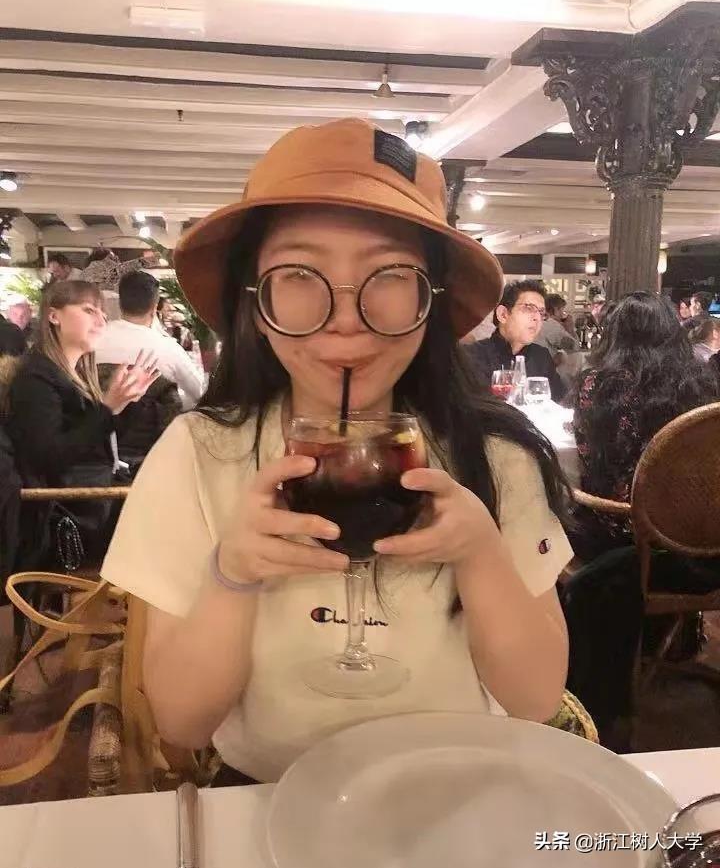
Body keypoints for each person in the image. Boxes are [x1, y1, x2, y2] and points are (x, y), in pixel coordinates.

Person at [101, 118, 572, 784]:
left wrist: (481, 554)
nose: (346, 317)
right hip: (265, 796)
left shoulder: (494, 456)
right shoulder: (197, 453)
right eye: (299, 273)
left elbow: (537, 698)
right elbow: (180, 722)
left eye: (389, 273)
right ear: (254, 299)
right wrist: (231, 574)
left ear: (430, 298)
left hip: (456, 794)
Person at [7, 280, 158, 564]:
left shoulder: (73, 374)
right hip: (66, 514)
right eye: (89, 310)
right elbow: (48, 458)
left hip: (91, 500)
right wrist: (107, 408)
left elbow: (98, 442)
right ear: (54, 316)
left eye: (103, 313)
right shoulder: (35, 379)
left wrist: (128, 402)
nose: (101, 320)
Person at [572, 291, 718, 559]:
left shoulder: (597, 385)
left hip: (628, 527)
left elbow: (589, 459)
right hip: (697, 525)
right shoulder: (699, 382)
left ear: (614, 334)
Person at [95, 270, 204, 409]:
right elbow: (199, 393)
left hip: (99, 420)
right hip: (157, 422)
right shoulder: (168, 349)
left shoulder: (92, 339)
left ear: (120, 303)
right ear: (154, 308)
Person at [464, 280, 567, 402]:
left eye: (541, 313)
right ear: (503, 314)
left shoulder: (541, 357)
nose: (537, 318)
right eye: (528, 308)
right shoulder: (472, 356)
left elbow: (560, 402)